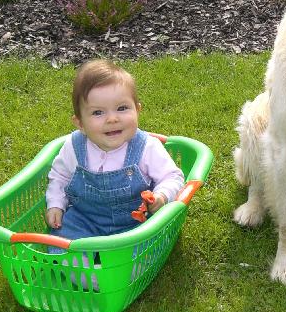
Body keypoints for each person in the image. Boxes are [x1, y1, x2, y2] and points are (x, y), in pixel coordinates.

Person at [45, 59, 185, 251]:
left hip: (135, 226)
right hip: (85, 221)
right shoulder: (74, 146)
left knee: (145, 248)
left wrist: (161, 195)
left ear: (138, 110)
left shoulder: (145, 146)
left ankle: (113, 271)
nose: (112, 119)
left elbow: (172, 176)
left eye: (122, 108)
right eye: (98, 112)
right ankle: (85, 271)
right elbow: (60, 177)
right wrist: (55, 204)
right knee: (60, 243)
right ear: (80, 124)